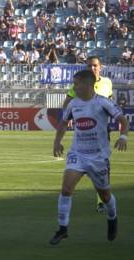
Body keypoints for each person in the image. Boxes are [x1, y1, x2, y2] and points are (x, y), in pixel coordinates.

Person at [50, 70, 129, 245]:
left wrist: (123, 136)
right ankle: (63, 229)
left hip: (98, 157)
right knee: (66, 189)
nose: (73, 87)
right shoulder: (73, 104)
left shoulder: (102, 102)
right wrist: (57, 142)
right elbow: (63, 123)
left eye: (76, 84)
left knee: (105, 195)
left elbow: (123, 120)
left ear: (87, 84)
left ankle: (112, 218)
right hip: (77, 153)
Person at [61, 56, 113, 213]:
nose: (92, 68)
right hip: (84, 133)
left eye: (95, 65)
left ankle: (101, 201)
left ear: (100, 67)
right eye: (89, 66)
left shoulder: (107, 83)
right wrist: (67, 116)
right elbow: (68, 101)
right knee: (81, 164)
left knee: (103, 167)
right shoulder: (79, 84)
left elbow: (110, 99)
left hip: (102, 131)